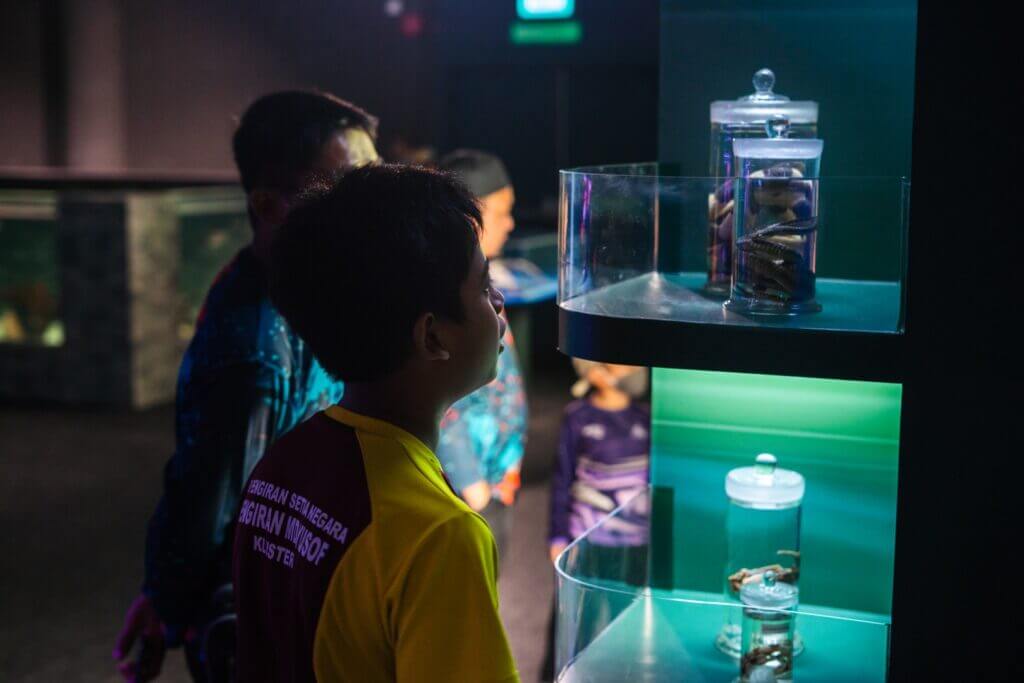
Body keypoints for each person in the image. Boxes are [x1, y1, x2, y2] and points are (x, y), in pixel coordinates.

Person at [113, 91, 380, 683]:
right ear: (269, 204)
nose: (374, 207)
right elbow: (212, 489)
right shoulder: (255, 352)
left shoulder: (290, 287)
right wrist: (167, 600)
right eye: (348, 187)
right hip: (259, 615)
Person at [232, 164, 519, 682]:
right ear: (432, 337)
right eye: (483, 285)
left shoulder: (280, 467)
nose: (498, 304)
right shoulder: (440, 537)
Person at [436, 149, 526, 554]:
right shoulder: (448, 294)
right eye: (502, 211)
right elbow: (443, 395)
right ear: (472, 216)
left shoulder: (481, 281)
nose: (509, 223)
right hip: (468, 489)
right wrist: (472, 483)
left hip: (493, 478)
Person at [542, 360, 650, 681]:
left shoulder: (646, 417)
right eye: (619, 364)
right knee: (574, 626)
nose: (631, 369)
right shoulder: (578, 417)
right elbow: (561, 479)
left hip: (634, 546)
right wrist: (557, 537)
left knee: (625, 630)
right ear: (596, 371)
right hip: (586, 541)